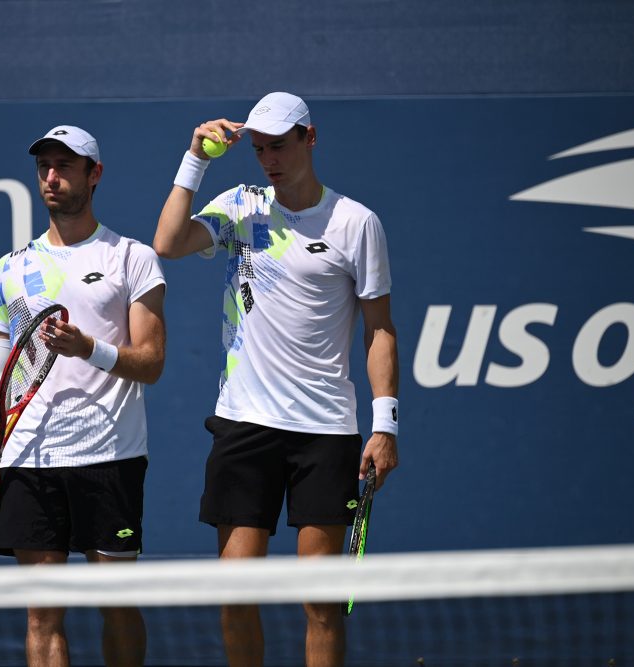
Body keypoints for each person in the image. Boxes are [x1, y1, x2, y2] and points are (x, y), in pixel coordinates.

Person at [153, 92, 399, 666]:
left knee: (322, 603)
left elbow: (379, 329)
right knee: (236, 595)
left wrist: (384, 424)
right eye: (260, 149)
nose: (269, 159)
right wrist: (196, 158)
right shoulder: (241, 205)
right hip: (244, 425)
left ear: (309, 138)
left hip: (324, 429)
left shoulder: (356, 223)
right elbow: (167, 243)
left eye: (280, 146)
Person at [0, 125, 167, 667]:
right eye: (44, 168)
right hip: (29, 459)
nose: (51, 178)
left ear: (93, 175)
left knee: (117, 607)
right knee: (42, 615)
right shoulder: (11, 268)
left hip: (110, 458)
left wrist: (90, 348)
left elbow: (151, 363)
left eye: (65, 167)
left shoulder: (133, 258)